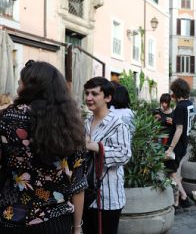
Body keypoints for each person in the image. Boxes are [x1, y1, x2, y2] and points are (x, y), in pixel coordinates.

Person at [0, 60, 86, 234]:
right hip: (55, 219)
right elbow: (78, 183)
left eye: (19, 82)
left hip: (13, 216)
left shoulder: (6, 117)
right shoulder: (70, 124)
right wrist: (77, 228)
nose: (17, 87)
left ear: (28, 86)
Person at [82, 77, 131, 234]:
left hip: (108, 198)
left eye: (94, 94)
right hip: (86, 195)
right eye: (87, 93)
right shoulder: (86, 123)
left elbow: (124, 154)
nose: (89, 98)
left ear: (108, 98)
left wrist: (96, 147)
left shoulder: (118, 124)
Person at [166, 78, 195, 210]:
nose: (172, 96)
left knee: (170, 171)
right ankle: (180, 200)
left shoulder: (180, 107)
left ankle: (181, 198)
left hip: (177, 146)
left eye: (173, 93)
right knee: (172, 171)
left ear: (177, 92)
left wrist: (170, 148)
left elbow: (179, 129)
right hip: (184, 143)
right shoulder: (190, 105)